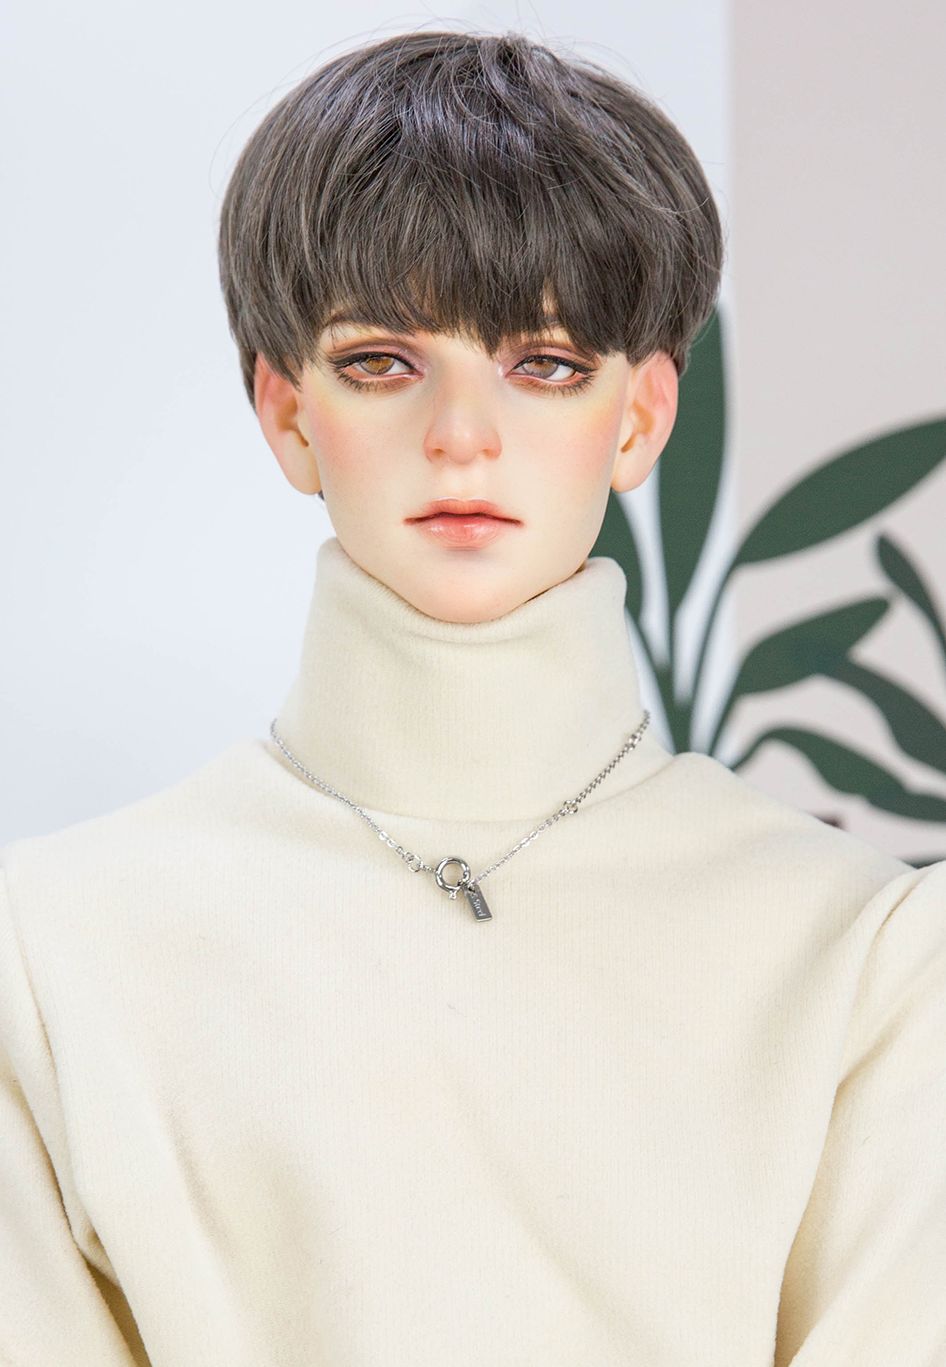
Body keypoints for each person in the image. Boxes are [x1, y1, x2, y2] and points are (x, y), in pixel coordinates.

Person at [1, 27, 943, 1367]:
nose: (461, 436)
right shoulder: (48, 953)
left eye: (543, 362)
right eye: (381, 361)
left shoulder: (864, 953)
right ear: (285, 411)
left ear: (641, 416)